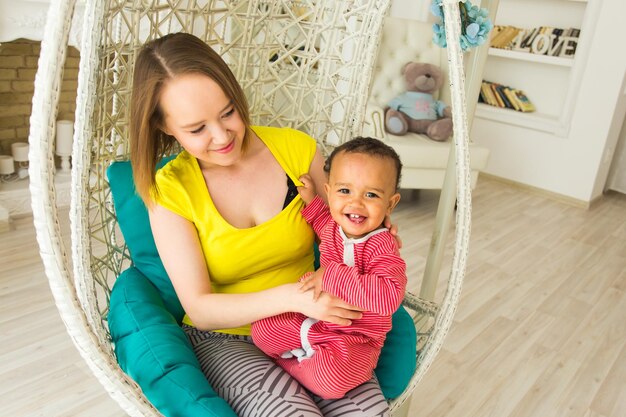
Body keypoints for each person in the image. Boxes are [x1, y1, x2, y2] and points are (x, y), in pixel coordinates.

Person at [129, 32, 394, 416]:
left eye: (228, 113)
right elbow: (200, 308)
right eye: (197, 129)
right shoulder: (170, 191)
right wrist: (291, 297)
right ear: (164, 126)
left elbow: (347, 224)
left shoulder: (296, 150)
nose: (222, 137)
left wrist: (379, 224)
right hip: (225, 337)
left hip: (315, 322)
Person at [252, 137, 406, 400]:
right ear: (330, 190)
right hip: (314, 321)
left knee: (332, 383)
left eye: (371, 195)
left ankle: (295, 366)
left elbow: (390, 296)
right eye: (344, 191)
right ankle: (307, 354)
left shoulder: (382, 246)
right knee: (262, 330)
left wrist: (331, 275)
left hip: (355, 338)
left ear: (390, 204)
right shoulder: (334, 227)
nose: (355, 204)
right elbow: (322, 219)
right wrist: (311, 200)